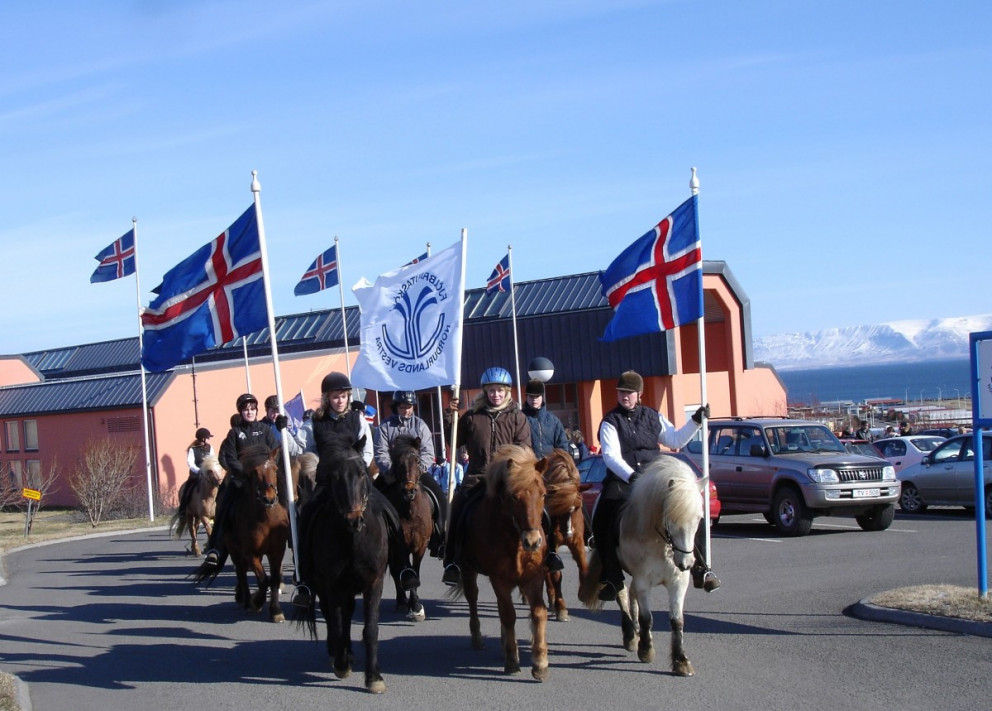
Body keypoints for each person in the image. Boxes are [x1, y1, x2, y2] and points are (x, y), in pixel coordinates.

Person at [293, 372, 417, 605]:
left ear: (348, 397)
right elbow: (303, 448)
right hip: (328, 482)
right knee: (306, 516)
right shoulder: (315, 424)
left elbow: (367, 449)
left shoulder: (357, 419)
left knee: (388, 510)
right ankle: (305, 580)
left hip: (357, 481)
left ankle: (403, 568)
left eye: (343, 396)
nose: (339, 401)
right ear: (327, 398)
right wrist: (285, 432)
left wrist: (358, 468)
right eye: (335, 397)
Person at [592, 370, 716, 602]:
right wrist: (632, 477)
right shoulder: (610, 421)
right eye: (621, 392)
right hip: (623, 480)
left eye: (628, 393)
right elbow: (610, 456)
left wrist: (696, 421)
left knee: (690, 512)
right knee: (601, 516)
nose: (624, 396)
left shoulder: (653, 416)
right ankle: (611, 577)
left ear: (639, 394)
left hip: (655, 481)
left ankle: (702, 568)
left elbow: (676, 440)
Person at [441, 366, 564, 585]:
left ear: (507, 392)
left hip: (509, 480)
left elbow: (525, 449)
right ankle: (452, 560)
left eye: (500, 390)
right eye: (491, 390)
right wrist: (451, 417)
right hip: (477, 478)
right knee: (456, 510)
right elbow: (455, 440)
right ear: (485, 392)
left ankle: (550, 553)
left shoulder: (518, 418)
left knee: (540, 509)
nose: (495, 394)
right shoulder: (472, 417)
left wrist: (511, 472)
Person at [202, 393, 281, 570]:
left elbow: (275, 451)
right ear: (241, 412)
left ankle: (294, 537)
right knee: (224, 504)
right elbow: (229, 458)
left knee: (290, 499)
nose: (250, 412)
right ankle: (216, 548)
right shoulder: (234, 433)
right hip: (242, 480)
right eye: (246, 410)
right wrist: (244, 473)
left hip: (265, 479)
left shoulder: (265, 430)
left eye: (253, 409)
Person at [373, 390, 448, 556]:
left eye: (409, 407)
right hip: (392, 473)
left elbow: (428, 452)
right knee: (371, 498)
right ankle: (373, 537)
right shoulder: (385, 426)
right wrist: (392, 470)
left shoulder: (420, 425)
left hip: (416, 473)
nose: (406, 410)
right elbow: (380, 452)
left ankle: (439, 536)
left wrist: (418, 471)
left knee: (440, 498)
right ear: (396, 407)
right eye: (402, 407)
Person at [521, 379, 569, 459]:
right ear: (527, 397)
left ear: (542, 397)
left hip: (550, 465)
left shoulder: (553, 420)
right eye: (531, 396)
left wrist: (559, 461)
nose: (534, 399)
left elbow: (562, 445)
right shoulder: (520, 418)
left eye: (537, 396)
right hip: (529, 465)